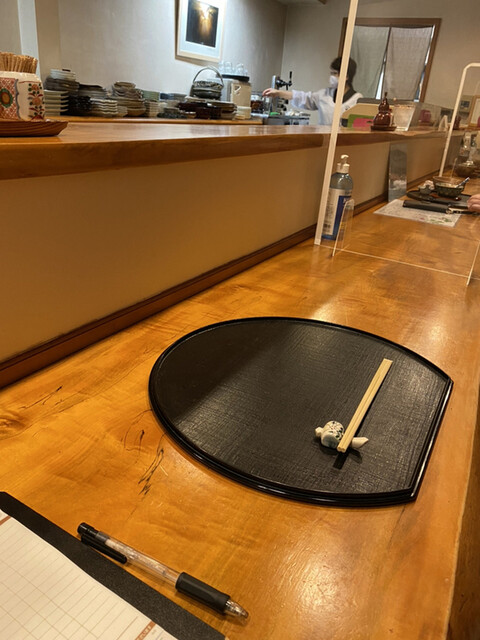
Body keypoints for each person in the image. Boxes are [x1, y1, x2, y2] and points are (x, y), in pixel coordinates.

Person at [263, 57, 362, 126]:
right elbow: (304, 98)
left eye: (335, 73)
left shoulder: (357, 99)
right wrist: (279, 93)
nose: (332, 76)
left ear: (346, 76)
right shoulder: (325, 94)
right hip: (323, 139)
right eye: (331, 73)